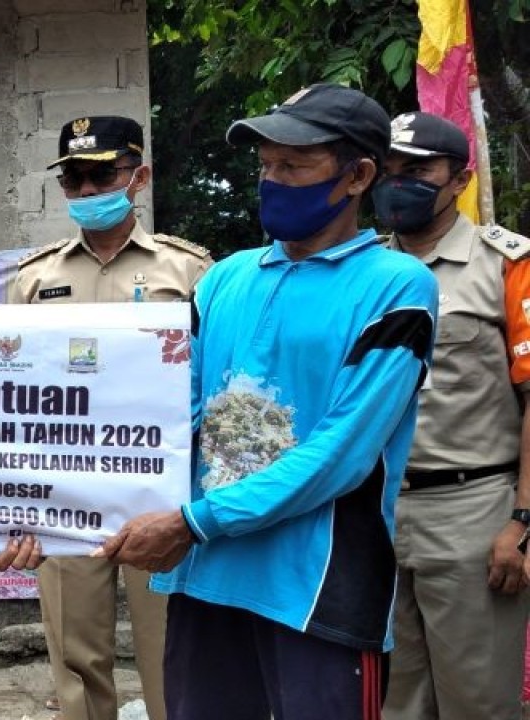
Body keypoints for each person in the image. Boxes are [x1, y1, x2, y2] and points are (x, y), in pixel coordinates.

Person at [101, 84, 438, 720]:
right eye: (265, 166)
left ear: (358, 176)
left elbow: (340, 455)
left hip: (318, 587)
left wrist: (193, 522)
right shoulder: (224, 278)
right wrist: (75, 501)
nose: (272, 181)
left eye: (293, 165)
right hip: (206, 576)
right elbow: (174, 417)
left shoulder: (396, 287)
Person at [10, 115, 212, 720]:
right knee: (76, 655)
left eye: (102, 176)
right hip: (64, 488)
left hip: (160, 488)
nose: (87, 190)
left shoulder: (190, 271)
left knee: (172, 650)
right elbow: (9, 391)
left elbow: (216, 379)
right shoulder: (34, 278)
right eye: (73, 179)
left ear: (138, 177)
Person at [374, 111, 530, 720]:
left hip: (474, 512)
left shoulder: (509, 265)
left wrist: (522, 520)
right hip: (377, 511)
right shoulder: (363, 269)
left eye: (418, 171)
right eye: (389, 169)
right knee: (394, 702)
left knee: (477, 703)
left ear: (460, 179)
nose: (399, 183)